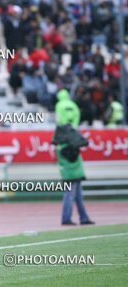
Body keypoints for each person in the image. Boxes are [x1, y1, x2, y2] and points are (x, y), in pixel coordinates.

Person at [55, 89, 95, 226]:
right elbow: (84, 142)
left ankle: (82, 217)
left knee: (75, 195)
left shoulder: (60, 135)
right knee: (73, 195)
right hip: (75, 169)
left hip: (68, 169)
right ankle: (67, 218)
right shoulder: (73, 108)